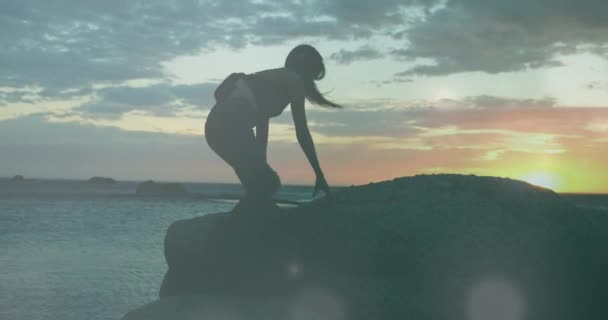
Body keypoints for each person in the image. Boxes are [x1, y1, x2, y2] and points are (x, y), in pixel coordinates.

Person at [205, 44, 341, 212]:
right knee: (265, 184)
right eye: (312, 76)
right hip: (231, 125)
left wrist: (260, 164)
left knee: (259, 187)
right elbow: (301, 132)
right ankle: (250, 224)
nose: (310, 83)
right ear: (307, 70)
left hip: (213, 128)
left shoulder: (272, 77)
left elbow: (262, 120)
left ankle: (245, 222)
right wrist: (318, 173)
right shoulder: (294, 81)